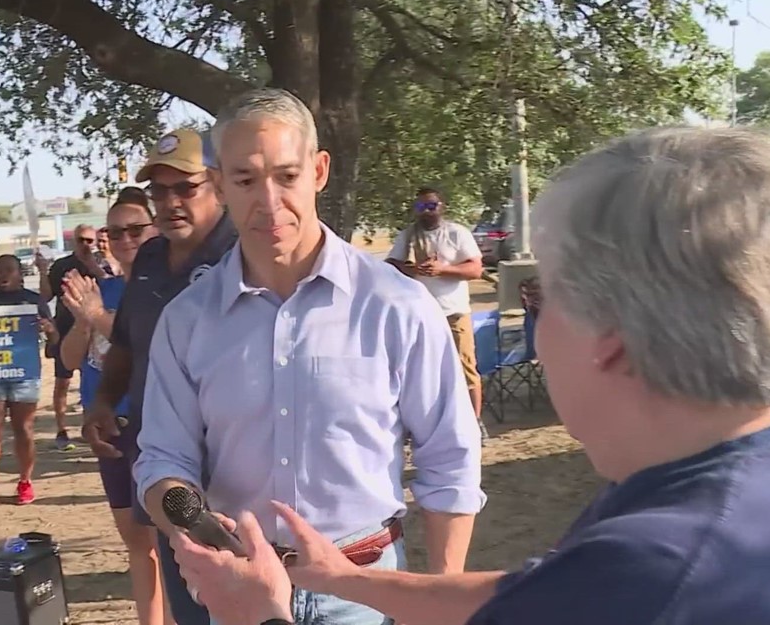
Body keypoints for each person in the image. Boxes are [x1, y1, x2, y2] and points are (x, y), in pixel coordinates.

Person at [169, 127, 770, 625]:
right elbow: (533, 594)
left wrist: (263, 618)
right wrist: (346, 581)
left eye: (543, 296)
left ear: (610, 337)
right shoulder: (736, 490)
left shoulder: (651, 572)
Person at [135, 89, 484, 625]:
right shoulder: (186, 321)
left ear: (319, 171)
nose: (269, 202)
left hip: (363, 591)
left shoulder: (397, 304)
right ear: (222, 184)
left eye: (286, 176)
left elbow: (449, 459)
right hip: (238, 593)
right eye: (247, 180)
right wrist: (188, 514)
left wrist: (435, 600)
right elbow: (162, 460)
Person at [84, 127, 237, 625]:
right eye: (160, 191)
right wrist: (105, 402)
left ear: (217, 184)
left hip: (232, 464)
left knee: (238, 597)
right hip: (162, 457)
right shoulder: (150, 256)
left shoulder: (243, 255)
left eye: (185, 188)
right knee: (186, 597)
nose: (171, 202)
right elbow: (127, 341)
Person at [60, 200, 165, 625]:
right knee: (137, 544)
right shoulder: (100, 290)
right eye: (115, 233)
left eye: (135, 230)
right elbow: (69, 359)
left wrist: (96, 314)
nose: (125, 241)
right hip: (111, 432)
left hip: (158, 428)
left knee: (174, 545)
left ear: (154, 229)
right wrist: (84, 321)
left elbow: (148, 344)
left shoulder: (165, 285)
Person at [385, 189, 486, 437]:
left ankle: (475, 423)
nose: (426, 212)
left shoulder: (456, 233)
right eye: (421, 207)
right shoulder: (408, 236)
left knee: (466, 369)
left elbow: (475, 270)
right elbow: (391, 266)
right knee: (420, 372)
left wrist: (443, 269)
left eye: (431, 206)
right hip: (419, 316)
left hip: (453, 312)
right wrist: (412, 269)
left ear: (442, 206)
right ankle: (426, 427)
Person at [0, 254, 58, 514]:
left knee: (24, 430)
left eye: (9, 270)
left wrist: (49, 329)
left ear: (20, 272)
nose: (3, 274)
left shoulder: (33, 300)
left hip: (24, 373)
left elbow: (54, 342)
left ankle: (25, 481)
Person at [43, 224, 110, 451]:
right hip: (65, 329)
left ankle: (87, 426)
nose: (86, 245)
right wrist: (43, 270)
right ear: (73, 241)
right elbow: (44, 296)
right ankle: (61, 429)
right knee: (62, 382)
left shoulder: (102, 266)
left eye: (90, 241)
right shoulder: (61, 265)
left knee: (90, 380)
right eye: (81, 240)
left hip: (95, 332)